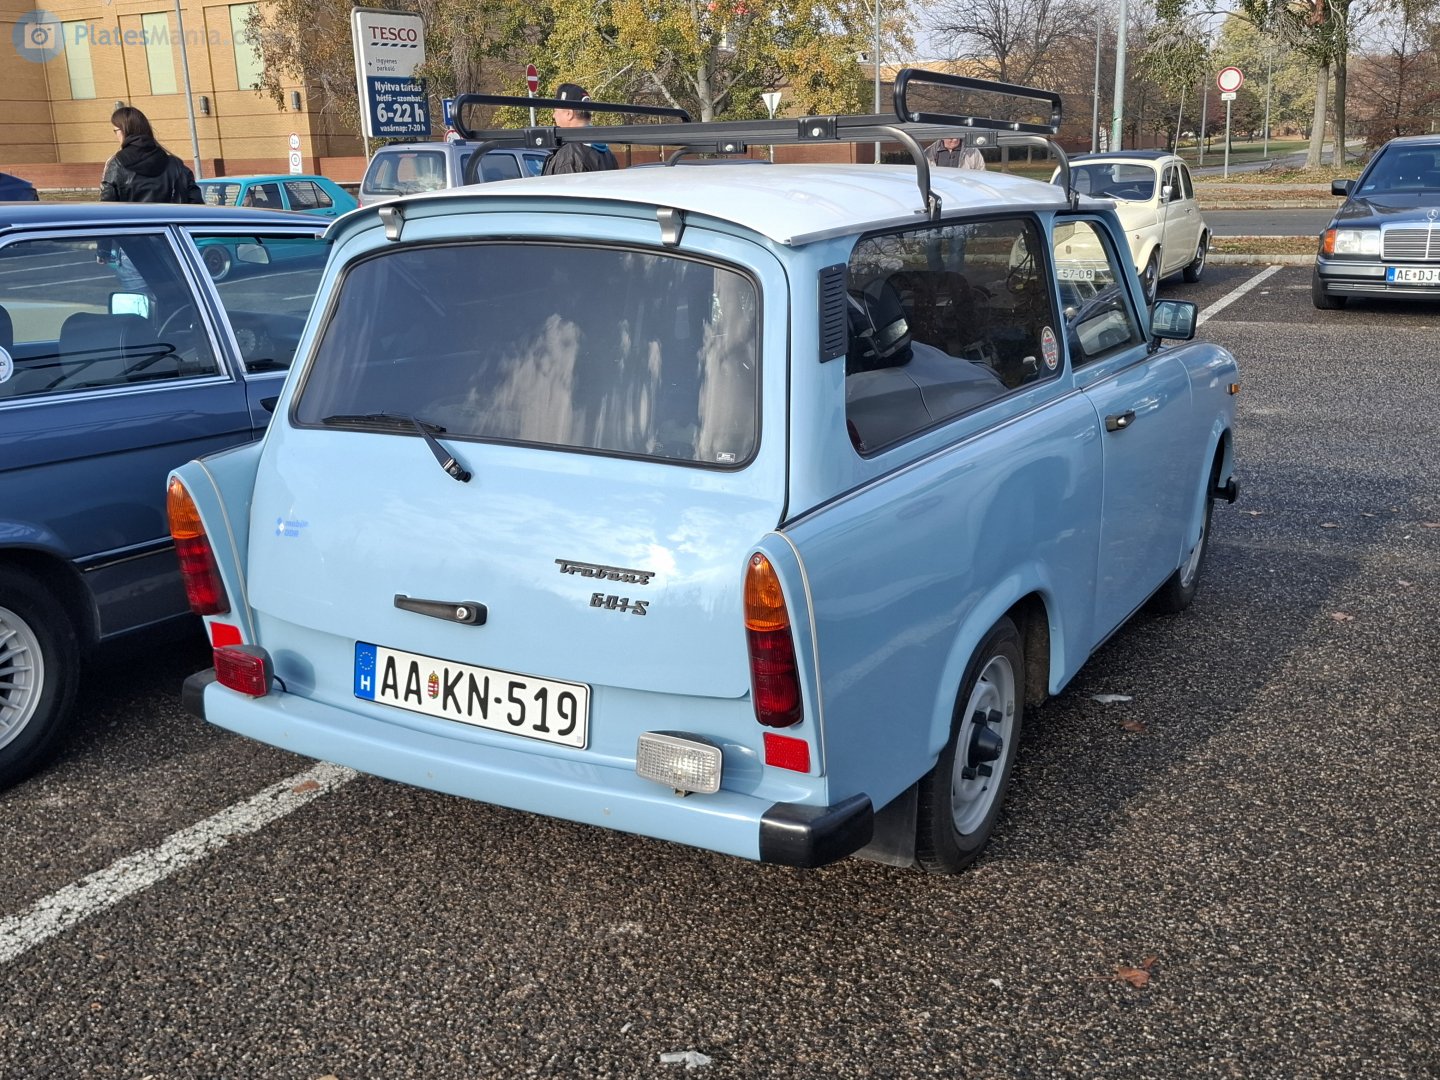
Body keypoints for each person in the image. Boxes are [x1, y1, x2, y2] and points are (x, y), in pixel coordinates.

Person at [100, 106, 204, 203]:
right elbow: (196, 204)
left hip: (132, 222)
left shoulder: (116, 165)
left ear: (123, 131)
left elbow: (106, 210)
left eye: (115, 131)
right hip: (171, 222)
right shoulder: (176, 166)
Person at [541, 83, 619, 175]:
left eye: (556, 111)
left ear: (569, 114)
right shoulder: (607, 152)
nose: (553, 116)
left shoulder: (569, 156)